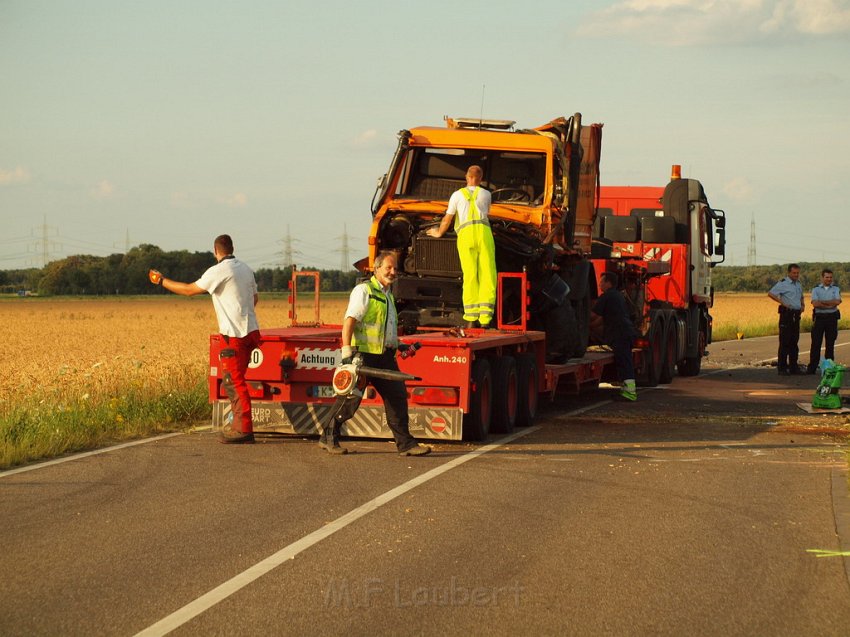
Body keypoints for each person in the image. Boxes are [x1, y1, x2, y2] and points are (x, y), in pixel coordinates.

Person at [149, 234, 260, 444]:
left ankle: (244, 429)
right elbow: (255, 298)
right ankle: (237, 424)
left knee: (234, 383)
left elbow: (190, 290)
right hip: (251, 332)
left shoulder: (219, 271)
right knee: (237, 381)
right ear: (232, 248)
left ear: (216, 251)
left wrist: (162, 281)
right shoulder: (245, 269)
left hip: (233, 335)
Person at [320, 250, 431, 456]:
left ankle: (406, 444)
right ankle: (328, 438)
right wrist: (346, 352)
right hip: (363, 356)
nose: (392, 272)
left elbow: (384, 328)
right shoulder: (364, 291)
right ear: (376, 269)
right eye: (388, 268)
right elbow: (350, 321)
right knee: (349, 401)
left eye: (395, 268)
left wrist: (398, 345)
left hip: (385, 357)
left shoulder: (388, 295)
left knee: (397, 397)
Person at [426, 165, 497, 328]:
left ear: (467, 177)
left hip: (465, 235)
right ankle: (485, 319)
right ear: (480, 179)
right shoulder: (486, 194)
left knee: (470, 275)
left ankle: (471, 318)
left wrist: (439, 232)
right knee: (487, 273)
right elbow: (487, 212)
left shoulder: (456, 195)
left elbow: (447, 219)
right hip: (484, 233)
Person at [590, 271, 638, 401]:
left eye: (601, 282)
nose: (599, 284)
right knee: (624, 362)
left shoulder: (607, 296)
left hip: (620, 334)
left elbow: (594, 316)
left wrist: (581, 320)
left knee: (624, 363)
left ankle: (629, 394)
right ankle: (626, 392)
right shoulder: (617, 296)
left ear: (608, 283)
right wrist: (591, 327)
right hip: (625, 332)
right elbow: (601, 319)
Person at [768, 263, 805, 375]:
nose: (796, 275)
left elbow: (801, 296)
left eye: (797, 273)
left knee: (794, 341)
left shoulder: (798, 284)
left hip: (796, 314)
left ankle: (794, 367)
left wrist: (803, 304)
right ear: (789, 273)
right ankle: (782, 368)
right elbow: (771, 293)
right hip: (787, 315)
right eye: (794, 273)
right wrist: (782, 303)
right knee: (785, 342)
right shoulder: (783, 283)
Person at [807, 268, 841, 374]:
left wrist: (822, 303)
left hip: (832, 318)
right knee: (816, 344)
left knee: (830, 344)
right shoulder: (816, 290)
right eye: (827, 277)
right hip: (819, 319)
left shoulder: (836, 289)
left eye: (830, 277)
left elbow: (837, 301)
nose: (829, 279)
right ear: (822, 278)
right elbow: (815, 304)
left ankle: (829, 368)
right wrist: (830, 304)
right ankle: (812, 368)